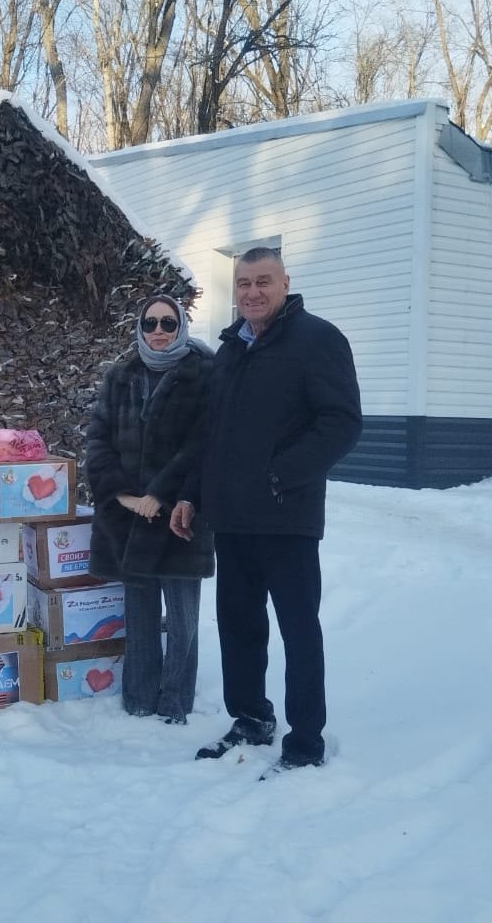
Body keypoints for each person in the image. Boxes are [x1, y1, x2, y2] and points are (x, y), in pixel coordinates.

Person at [171, 247, 361, 770]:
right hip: (232, 520)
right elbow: (211, 434)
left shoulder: (317, 340)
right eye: (243, 283)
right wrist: (191, 492)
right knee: (239, 626)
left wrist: (281, 474)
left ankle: (305, 741)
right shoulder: (231, 348)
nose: (252, 292)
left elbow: (342, 422)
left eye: (263, 282)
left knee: (299, 630)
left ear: (285, 284)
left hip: (286, 520)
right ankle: (251, 716)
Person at [85, 294, 215, 724]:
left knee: (182, 618)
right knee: (139, 614)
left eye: (168, 323)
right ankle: (138, 698)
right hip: (128, 519)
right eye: (150, 323)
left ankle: (175, 702)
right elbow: (97, 441)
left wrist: (158, 493)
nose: (158, 331)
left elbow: (202, 446)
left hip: (181, 514)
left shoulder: (204, 375)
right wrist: (122, 495)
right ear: (139, 328)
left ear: (182, 327)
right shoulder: (119, 376)